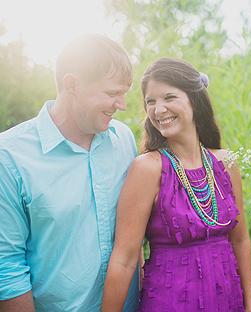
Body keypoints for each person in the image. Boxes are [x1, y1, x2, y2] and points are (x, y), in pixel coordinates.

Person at [101, 57, 251, 312]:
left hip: (228, 300)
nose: (158, 110)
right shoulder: (147, 168)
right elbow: (125, 260)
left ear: (195, 99)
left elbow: (240, 241)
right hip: (170, 302)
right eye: (151, 101)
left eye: (169, 97)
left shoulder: (227, 163)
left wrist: (249, 306)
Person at [0, 34, 140, 312]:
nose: (121, 105)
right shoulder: (9, 155)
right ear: (72, 85)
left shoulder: (124, 139)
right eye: (112, 94)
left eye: (124, 94)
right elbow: (7, 266)